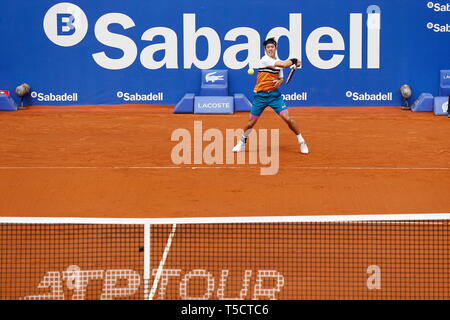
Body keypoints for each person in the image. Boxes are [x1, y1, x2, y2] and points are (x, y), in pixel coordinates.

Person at [232, 37, 309, 154]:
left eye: (272, 47)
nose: (270, 49)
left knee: (287, 118)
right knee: (251, 122)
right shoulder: (265, 60)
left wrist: (280, 81)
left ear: (275, 48)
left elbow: (281, 77)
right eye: (268, 47)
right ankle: (242, 142)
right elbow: (283, 65)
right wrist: (295, 60)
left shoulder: (277, 61)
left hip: (274, 96)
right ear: (265, 49)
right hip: (261, 96)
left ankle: (301, 141)